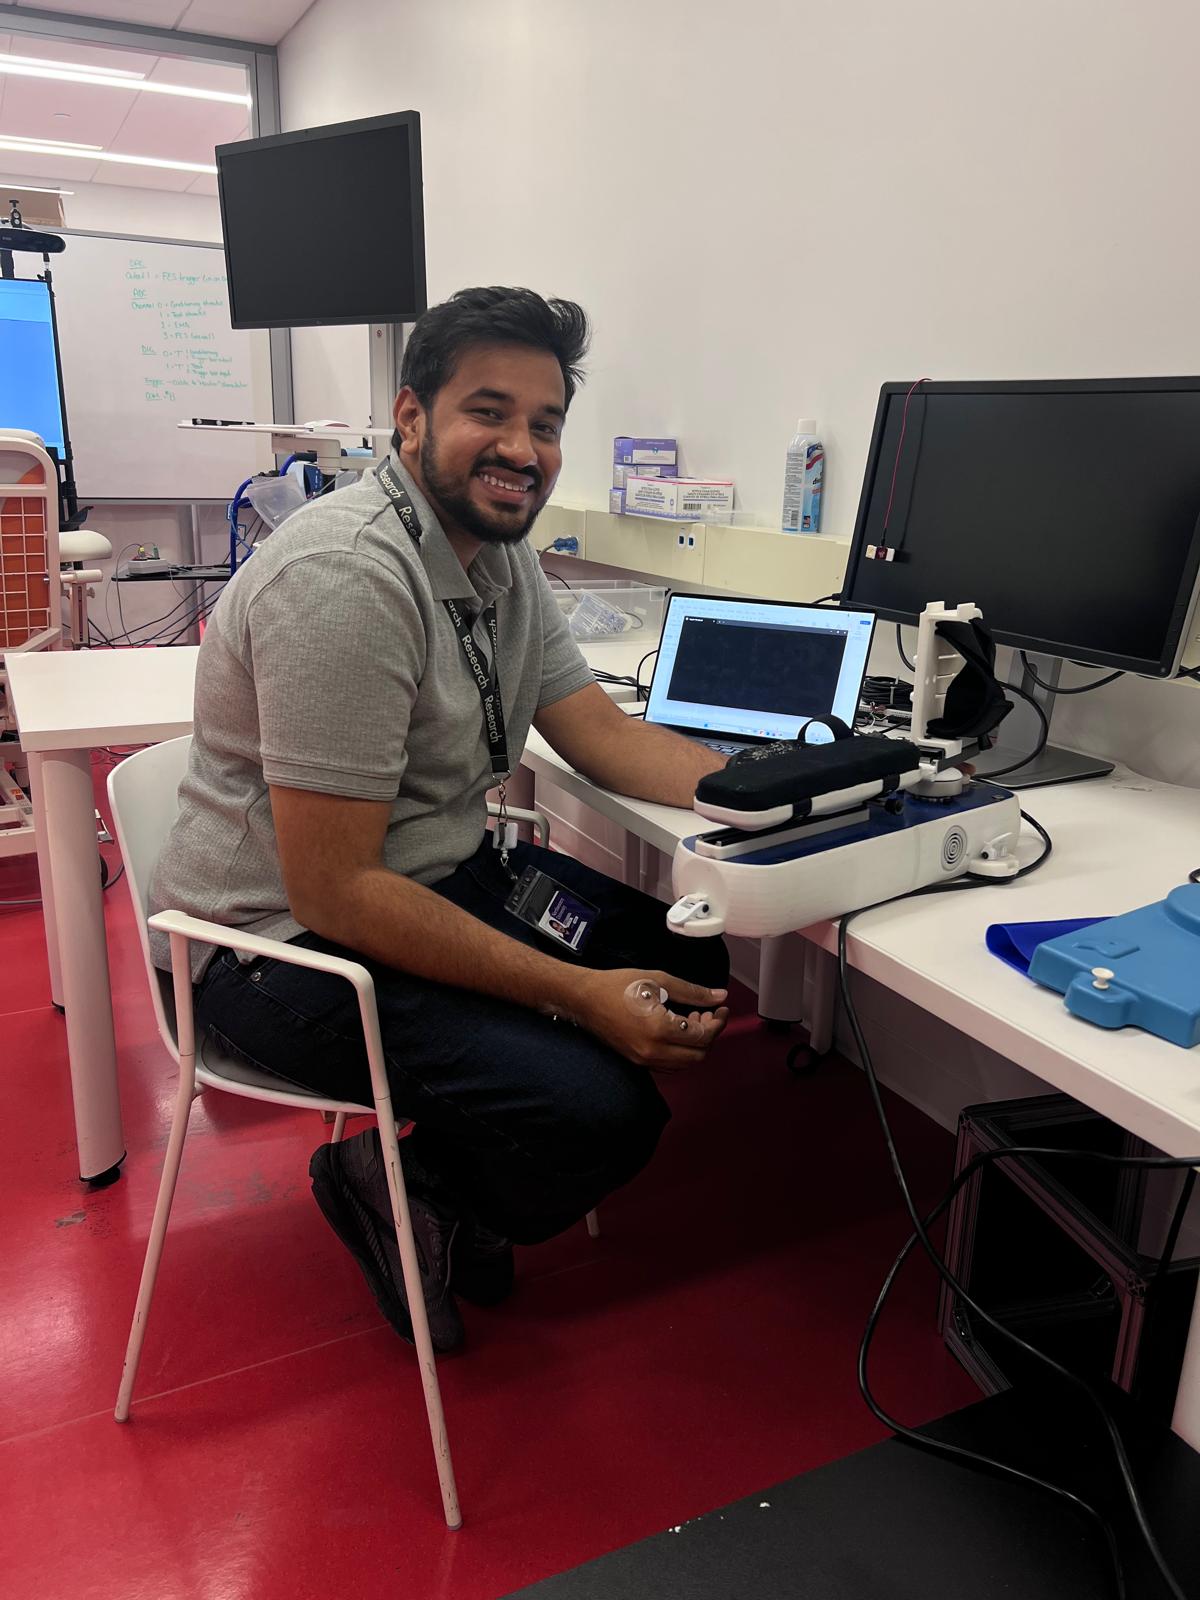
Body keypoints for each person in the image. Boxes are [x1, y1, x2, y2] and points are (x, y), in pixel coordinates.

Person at [149, 286, 731, 1354]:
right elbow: (336, 890)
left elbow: (599, 733)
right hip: (269, 947)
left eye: (545, 424)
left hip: (428, 877)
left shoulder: (493, 553)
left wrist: (766, 793)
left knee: (682, 949)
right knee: (603, 1110)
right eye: (489, 411)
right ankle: (395, 1176)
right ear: (412, 418)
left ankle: (457, 1165)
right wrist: (576, 996)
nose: (522, 447)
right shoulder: (345, 577)